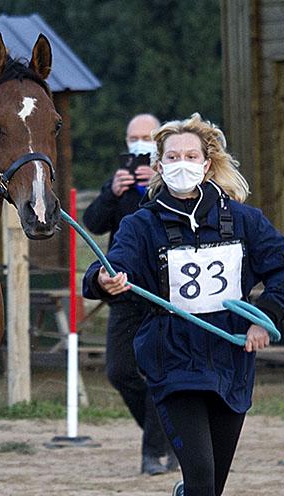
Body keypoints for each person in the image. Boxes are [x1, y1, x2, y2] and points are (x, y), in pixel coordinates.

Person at [82, 113, 284, 496]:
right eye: (173, 158)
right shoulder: (141, 223)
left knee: (212, 482)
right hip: (172, 361)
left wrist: (262, 320)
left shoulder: (242, 220)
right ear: (159, 165)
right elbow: (109, 269)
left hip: (229, 361)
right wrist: (105, 281)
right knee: (201, 473)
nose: (182, 166)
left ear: (209, 164)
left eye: (191, 157)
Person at [83, 113, 174, 475]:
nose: (139, 143)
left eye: (146, 136)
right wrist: (112, 193)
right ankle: (167, 436)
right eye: (133, 136)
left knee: (157, 371)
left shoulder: (172, 180)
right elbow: (92, 223)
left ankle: (154, 453)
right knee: (119, 370)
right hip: (123, 292)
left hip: (163, 294)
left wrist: (157, 184)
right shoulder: (118, 182)